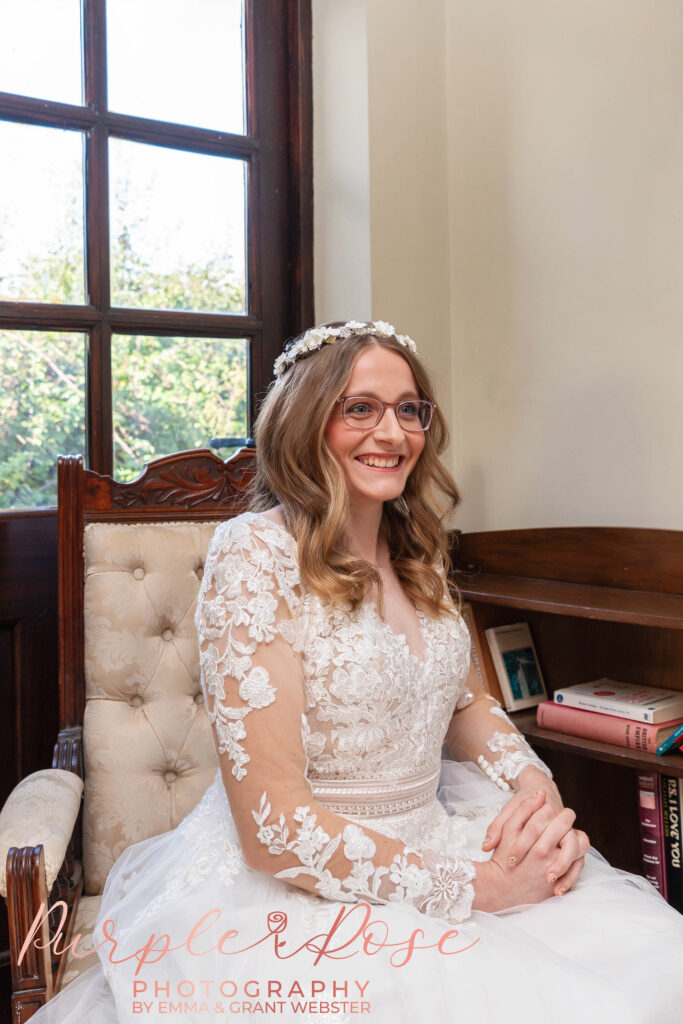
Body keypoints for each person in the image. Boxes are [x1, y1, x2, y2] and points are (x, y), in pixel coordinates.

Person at [33, 321, 683, 1023]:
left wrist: (532, 786)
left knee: (650, 965)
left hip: (438, 829)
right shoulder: (253, 555)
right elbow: (271, 826)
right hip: (300, 891)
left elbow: (463, 702)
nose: (392, 432)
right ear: (306, 424)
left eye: (409, 409)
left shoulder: (418, 550)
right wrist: (476, 888)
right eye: (359, 408)